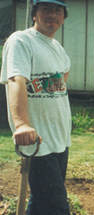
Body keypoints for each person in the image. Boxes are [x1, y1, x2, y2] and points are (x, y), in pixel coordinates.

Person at [0, 0, 71, 214]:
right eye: (46, 9)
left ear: (63, 17)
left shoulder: (58, 49)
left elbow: (61, 81)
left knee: (40, 205)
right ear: (34, 14)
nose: (52, 15)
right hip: (37, 142)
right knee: (57, 208)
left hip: (60, 140)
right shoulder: (21, 40)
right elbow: (16, 79)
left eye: (58, 10)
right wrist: (21, 124)